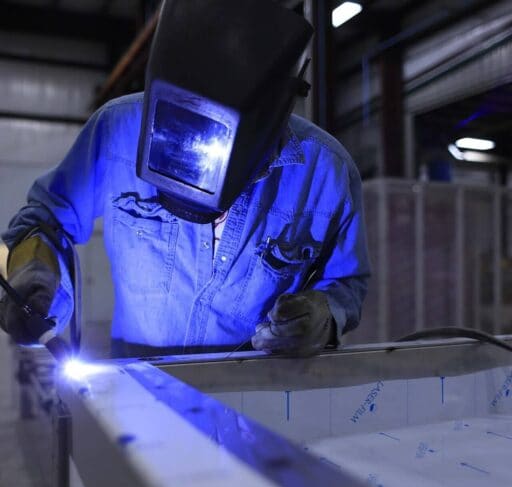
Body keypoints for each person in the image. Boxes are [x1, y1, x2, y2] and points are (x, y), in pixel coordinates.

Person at [0, 0, 370, 358]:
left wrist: (323, 316)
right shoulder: (118, 131)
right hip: (141, 387)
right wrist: (35, 273)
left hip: (252, 390)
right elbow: (46, 221)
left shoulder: (326, 173)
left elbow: (347, 283)